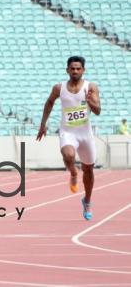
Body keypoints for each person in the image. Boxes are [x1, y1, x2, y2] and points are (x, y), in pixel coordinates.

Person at [37, 56, 101, 221]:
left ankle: (87, 200)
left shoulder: (90, 87)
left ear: (83, 70)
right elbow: (49, 103)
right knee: (69, 155)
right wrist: (43, 124)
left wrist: (90, 102)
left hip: (85, 133)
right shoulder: (59, 88)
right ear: (67, 70)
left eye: (78, 68)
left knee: (89, 169)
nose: (75, 71)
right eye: (72, 68)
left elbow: (98, 110)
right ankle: (73, 172)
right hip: (68, 132)